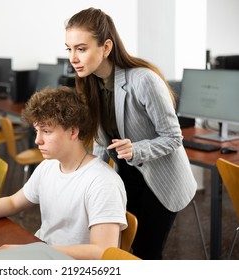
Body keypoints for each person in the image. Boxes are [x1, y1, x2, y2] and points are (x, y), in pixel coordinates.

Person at [0, 86, 127, 260]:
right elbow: (13, 202)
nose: (37, 141)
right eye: (36, 131)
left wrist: (34, 251)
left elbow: (103, 252)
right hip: (43, 254)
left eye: (46, 132)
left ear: (73, 132)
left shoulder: (102, 182)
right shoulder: (49, 166)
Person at [64, 7, 197, 259]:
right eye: (69, 49)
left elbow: (173, 137)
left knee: (147, 252)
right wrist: (90, 175)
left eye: (81, 48)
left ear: (106, 47)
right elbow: (102, 144)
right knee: (122, 249)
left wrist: (137, 149)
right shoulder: (89, 84)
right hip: (126, 175)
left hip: (162, 180)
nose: (73, 57)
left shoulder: (143, 80)